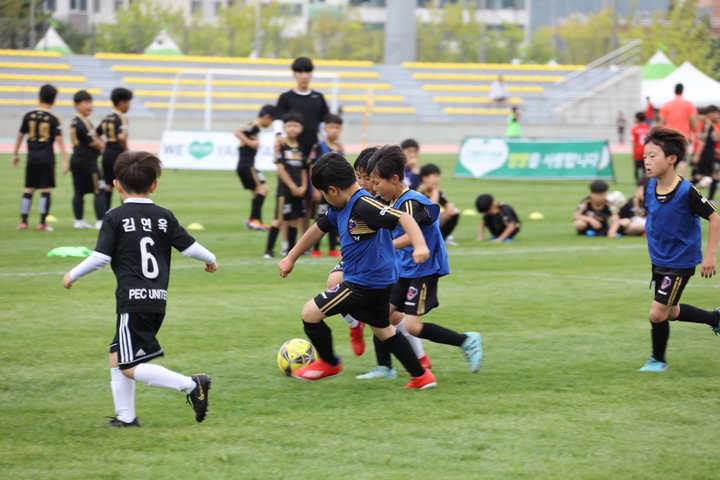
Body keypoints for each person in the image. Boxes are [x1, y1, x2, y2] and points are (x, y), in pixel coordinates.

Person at [61, 150, 218, 425]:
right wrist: (211, 260)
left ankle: (192, 384)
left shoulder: (114, 216)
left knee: (129, 366)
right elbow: (191, 248)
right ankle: (126, 417)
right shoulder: (164, 216)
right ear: (154, 184)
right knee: (117, 354)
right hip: (156, 300)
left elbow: (100, 257)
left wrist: (72, 274)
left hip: (132, 302)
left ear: (116, 185)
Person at [278, 153, 438, 389]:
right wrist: (291, 257)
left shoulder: (364, 205)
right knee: (384, 331)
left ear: (332, 190)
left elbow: (404, 218)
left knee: (310, 313)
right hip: (373, 281)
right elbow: (317, 229)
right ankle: (421, 376)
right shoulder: (340, 207)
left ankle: (330, 363)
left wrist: (420, 245)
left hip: (365, 283)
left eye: (323, 193)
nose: (324, 198)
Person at [359, 145, 482, 379]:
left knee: (413, 326)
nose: (374, 188)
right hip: (403, 270)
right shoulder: (395, 201)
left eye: (377, 182)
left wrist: (379, 247)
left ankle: (466, 340)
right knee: (380, 315)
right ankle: (385, 367)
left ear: (394, 179)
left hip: (422, 270)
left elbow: (409, 234)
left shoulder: (410, 202)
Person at [637, 126, 720, 371]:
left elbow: (715, 217)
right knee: (671, 311)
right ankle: (714, 318)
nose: (647, 161)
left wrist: (710, 254)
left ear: (672, 158)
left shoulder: (687, 191)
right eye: (645, 156)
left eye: (653, 156)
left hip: (680, 262)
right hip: (659, 259)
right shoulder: (649, 187)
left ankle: (658, 361)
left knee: (657, 313)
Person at [12, 84, 67, 231]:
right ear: (54, 101)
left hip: (32, 158)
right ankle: (42, 223)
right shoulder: (54, 118)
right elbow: (60, 140)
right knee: (45, 190)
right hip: (47, 158)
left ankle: (23, 222)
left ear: (39, 98)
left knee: (28, 189)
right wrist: (65, 160)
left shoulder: (28, 116)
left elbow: (19, 135)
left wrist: (15, 154)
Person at [264, 112, 309, 258]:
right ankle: (268, 250)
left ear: (301, 128)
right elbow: (281, 169)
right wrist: (292, 187)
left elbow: (303, 169)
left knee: (294, 220)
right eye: (289, 126)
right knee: (279, 219)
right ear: (284, 127)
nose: (292, 129)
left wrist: (302, 186)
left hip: (298, 191)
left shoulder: (301, 148)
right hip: (285, 191)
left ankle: (290, 251)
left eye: (295, 126)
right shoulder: (281, 146)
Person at [235, 104, 276, 232]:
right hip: (247, 165)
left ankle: (256, 221)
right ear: (267, 117)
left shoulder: (255, 127)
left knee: (257, 192)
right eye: (271, 121)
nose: (270, 124)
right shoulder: (255, 126)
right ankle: (253, 220)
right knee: (264, 189)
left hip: (245, 165)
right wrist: (251, 143)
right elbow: (237, 132)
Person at [308, 113, 343, 258]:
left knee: (335, 219)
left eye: (337, 128)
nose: (334, 130)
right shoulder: (319, 146)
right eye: (331, 127)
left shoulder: (339, 149)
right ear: (325, 129)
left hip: (336, 193)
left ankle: (332, 248)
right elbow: (312, 167)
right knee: (319, 218)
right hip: (322, 191)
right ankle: (315, 248)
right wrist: (315, 189)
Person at [70, 90, 106, 229]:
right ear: (77, 104)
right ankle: (99, 221)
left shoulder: (75, 120)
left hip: (77, 159)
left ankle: (79, 221)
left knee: (79, 192)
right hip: (88, 161)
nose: (90, 106)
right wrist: (104, 148)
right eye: (86, 102)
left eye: (91, 102)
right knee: (99, 190)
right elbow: (92, 141)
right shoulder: (82, 121)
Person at [96, 87, 132, 213]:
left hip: (107, 154)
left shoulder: (107, 117)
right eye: (128, 103)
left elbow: (95, 133)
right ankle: (127, 212)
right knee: (124, 184)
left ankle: (105, 212)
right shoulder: (121, 118)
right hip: (118, 154)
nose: (129, 106)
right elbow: (121, 136)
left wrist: (103, 145)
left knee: (108, 185)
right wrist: (127, 150)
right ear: (121, 103)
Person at [659, 83, 698, 178]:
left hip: (670, 135)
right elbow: (693, 119)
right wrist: (698, 132)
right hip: (684, 135)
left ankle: (670, 178)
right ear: (682, 91)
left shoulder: (666, 104)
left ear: (674, 91)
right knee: (683, 159)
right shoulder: (688, 104)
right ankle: (680, 180)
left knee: (670, 158)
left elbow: (661, 122)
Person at [417, 163, 460, 242]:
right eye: (435, 177)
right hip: (419, 222)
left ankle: (443, 238)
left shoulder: (436, 191)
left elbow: (448, 205)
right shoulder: (418, 191)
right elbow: (431, 207)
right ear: (425, 178)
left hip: (430, 220)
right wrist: (435, 191)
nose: (438, 179)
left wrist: (450, 206)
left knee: (454, 212)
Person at [692, 105, 720, 201]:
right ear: (709, 114)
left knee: (701, 175)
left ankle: (682, 188)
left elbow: (710, 140)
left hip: (708, 155)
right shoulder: (707, 126)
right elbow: (703, 141)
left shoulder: (710, 126)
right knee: (714, 175)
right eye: (715, 113)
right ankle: (711, 199)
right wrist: (697, 155)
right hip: (707, 156)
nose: (717, 115)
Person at [631, 112, 651, 181]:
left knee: (636, 168)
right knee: (645, 167)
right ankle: (644, 181)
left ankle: (637, 182)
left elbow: (633, 141)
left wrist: (633, 152)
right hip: (646, 150)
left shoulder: (634, 129)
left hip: (637, 150)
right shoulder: (648, 128)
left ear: (637, 119)